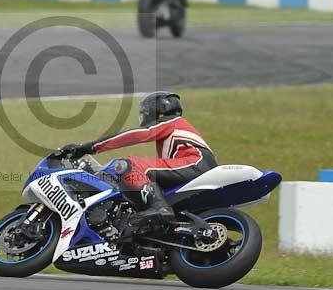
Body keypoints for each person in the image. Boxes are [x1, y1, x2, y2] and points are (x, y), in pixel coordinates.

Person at [60, 91, 217, 230]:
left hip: (196, 162)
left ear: (155, 111)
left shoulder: (172, 121)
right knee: (142, 180)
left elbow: (139, 134)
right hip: (197, 166)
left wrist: (89, 147)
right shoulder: (176, 130)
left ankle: (160, 208)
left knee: (127, 165)